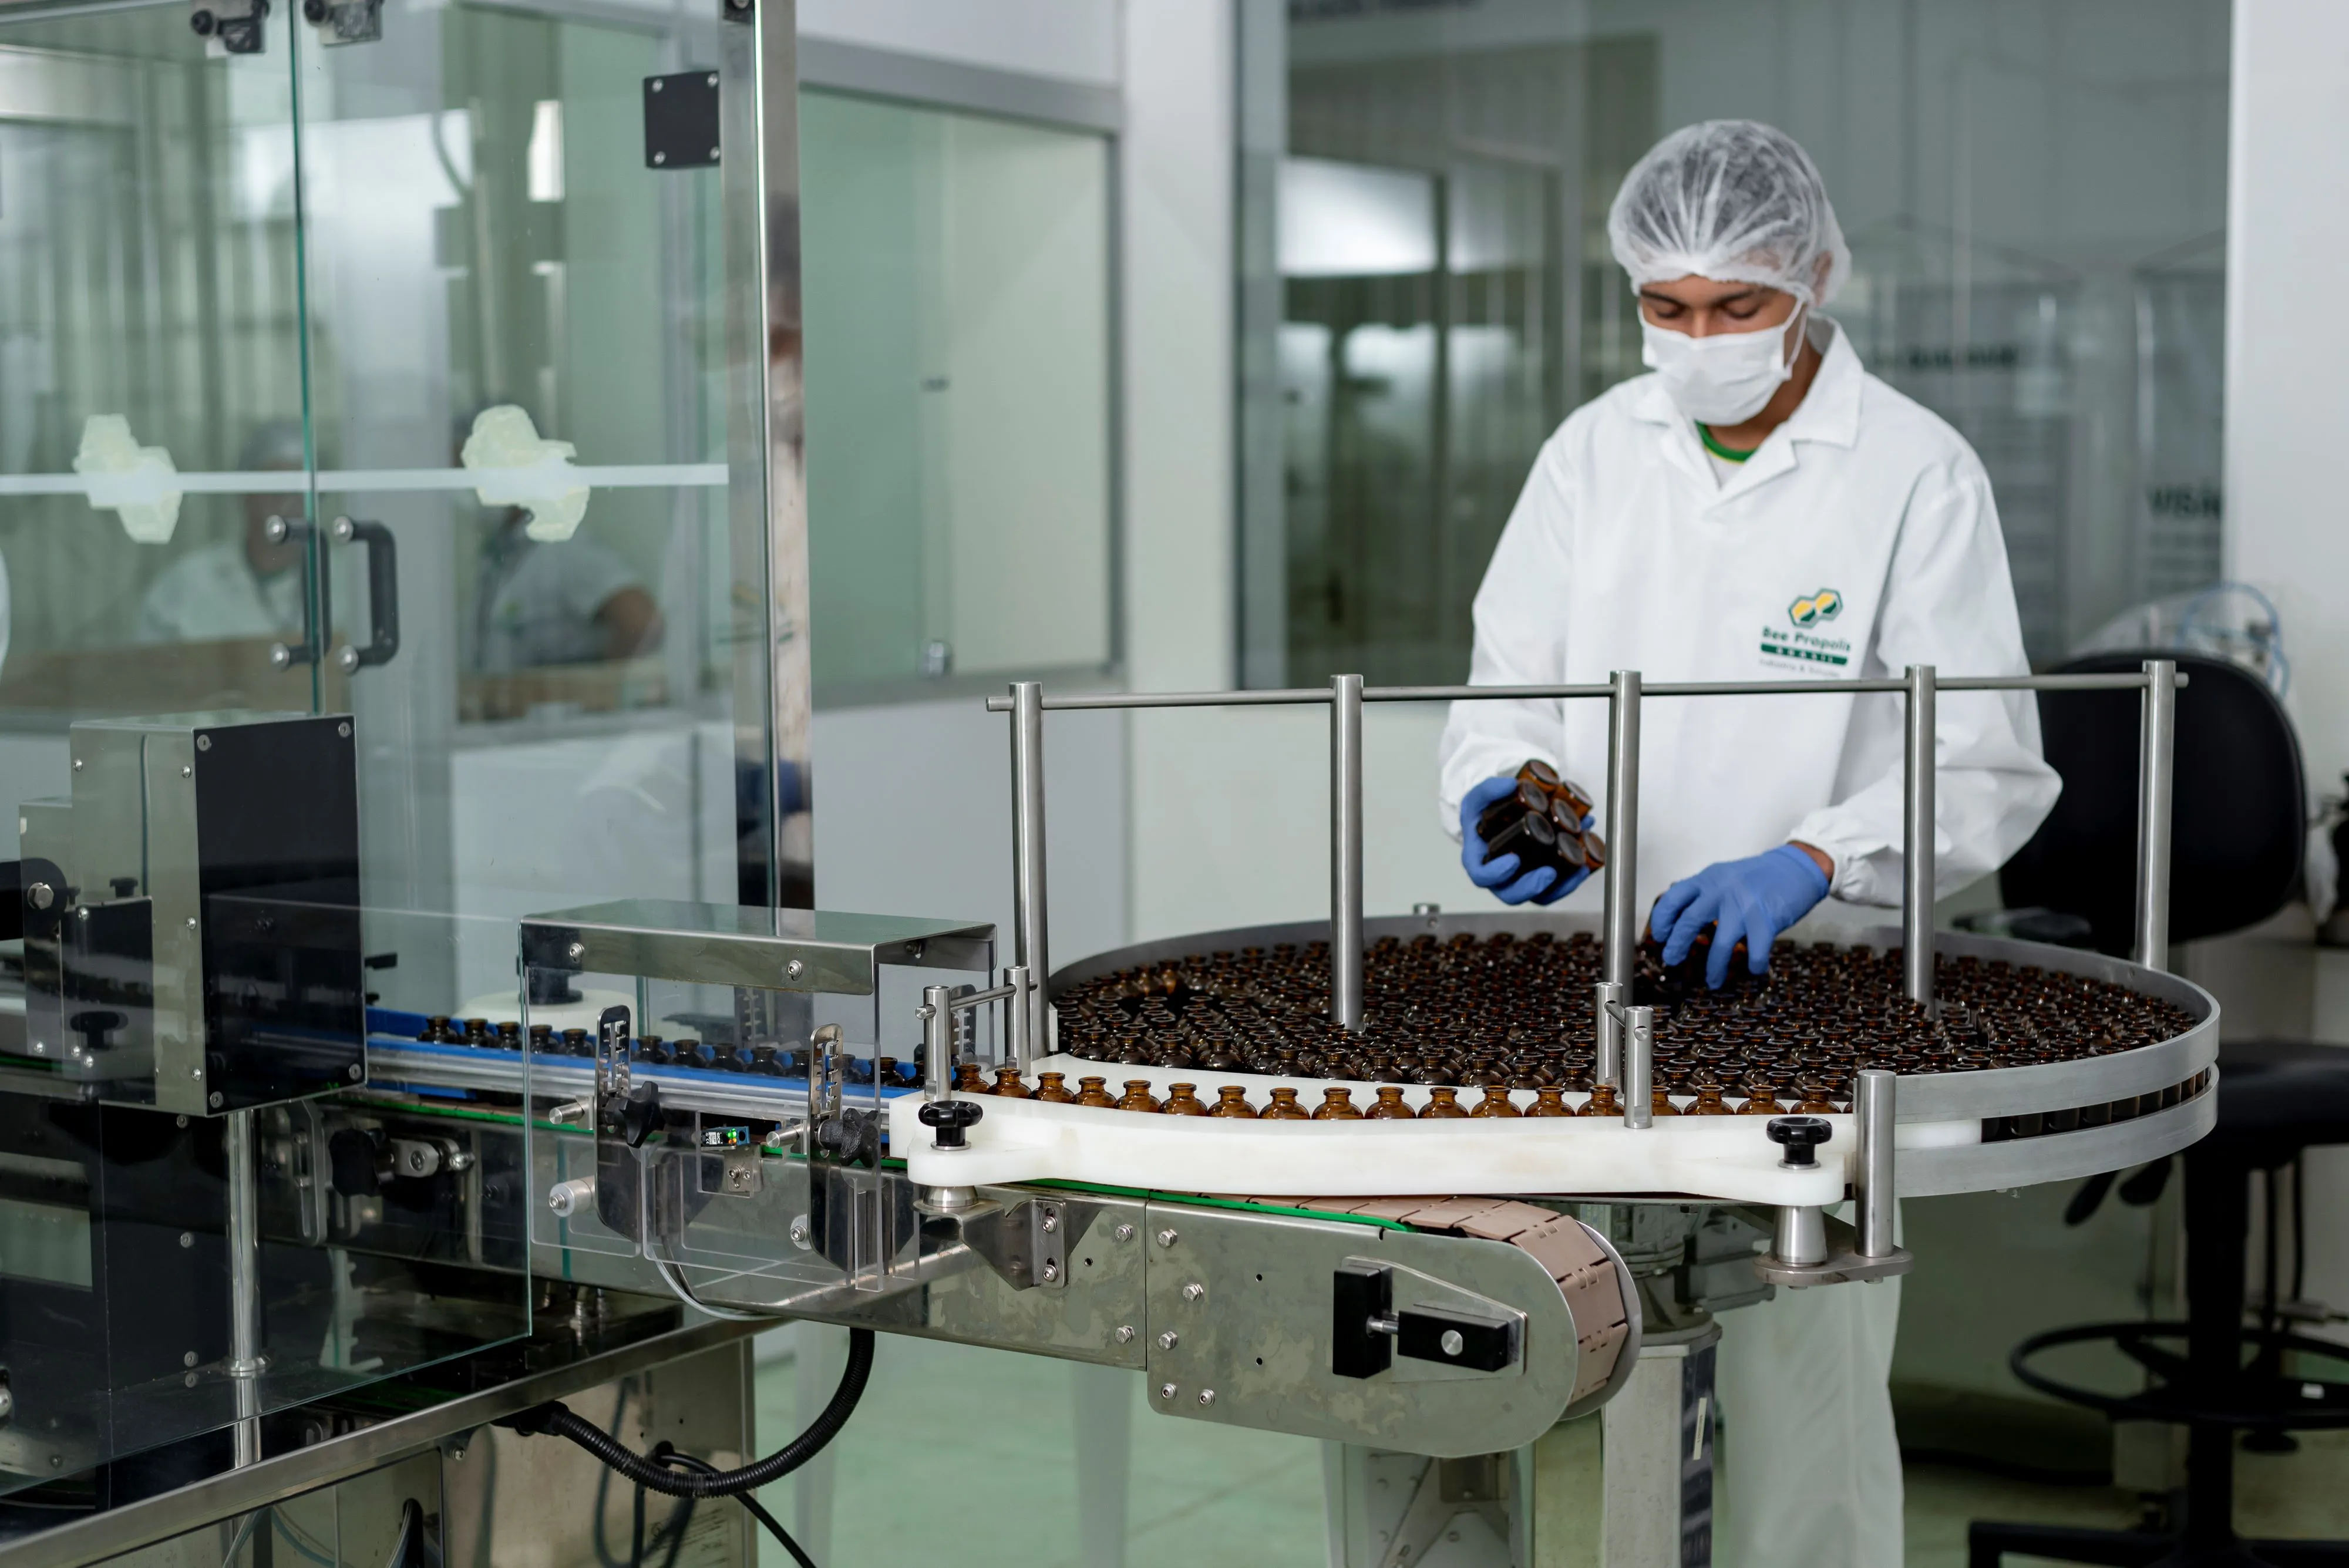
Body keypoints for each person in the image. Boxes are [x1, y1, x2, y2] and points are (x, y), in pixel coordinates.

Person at [1436, 122, 2060, 1566]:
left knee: (1803, 1395)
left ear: (1815, 278)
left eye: (1737, 306)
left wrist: (1814, 859)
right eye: (1666, 307)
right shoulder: (1593, 453)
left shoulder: (1911, 471)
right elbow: (1501, 690)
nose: (1700, 340)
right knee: (1596, 1356)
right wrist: (1499, 787)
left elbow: (1984, 760)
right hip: (1597, 988)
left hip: (1814, 994)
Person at [136, 421, 312, 645]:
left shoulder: (341, 580)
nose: (290, 505)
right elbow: (149, 662)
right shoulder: (185, 585)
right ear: (246, 495)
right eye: (277, 490)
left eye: (301, 493)